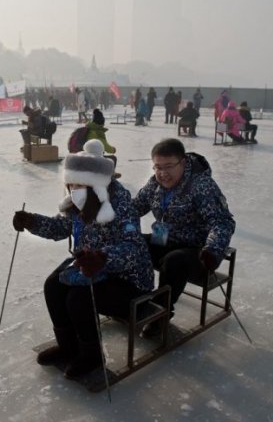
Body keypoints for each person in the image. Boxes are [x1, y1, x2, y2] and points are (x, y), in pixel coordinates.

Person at [12, 139, 154, 378]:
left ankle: (92, 357)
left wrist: (102, 257)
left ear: (96, 185)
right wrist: (32, 222)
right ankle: (69, 348)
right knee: (53, 286)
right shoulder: (78, 202)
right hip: (91, 267)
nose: (73, 190)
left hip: (128, 280)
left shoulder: (120, 203)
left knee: (78, 298)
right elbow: (60, 228)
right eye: (71, 184)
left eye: (79, 185)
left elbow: (133, 248)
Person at [132, 138, 235, 333]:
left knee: (174, 261)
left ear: (183, 162)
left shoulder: (201, 185)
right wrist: (105, 213)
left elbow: (222, 221)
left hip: (196, 251)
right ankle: (134, 298)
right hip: (164, 239)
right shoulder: (155, 183)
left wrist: (213, 249)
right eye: (157, 167)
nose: (162, 173)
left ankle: (161, 314)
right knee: (132, 244)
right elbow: (135, 206)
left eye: (169, 166)